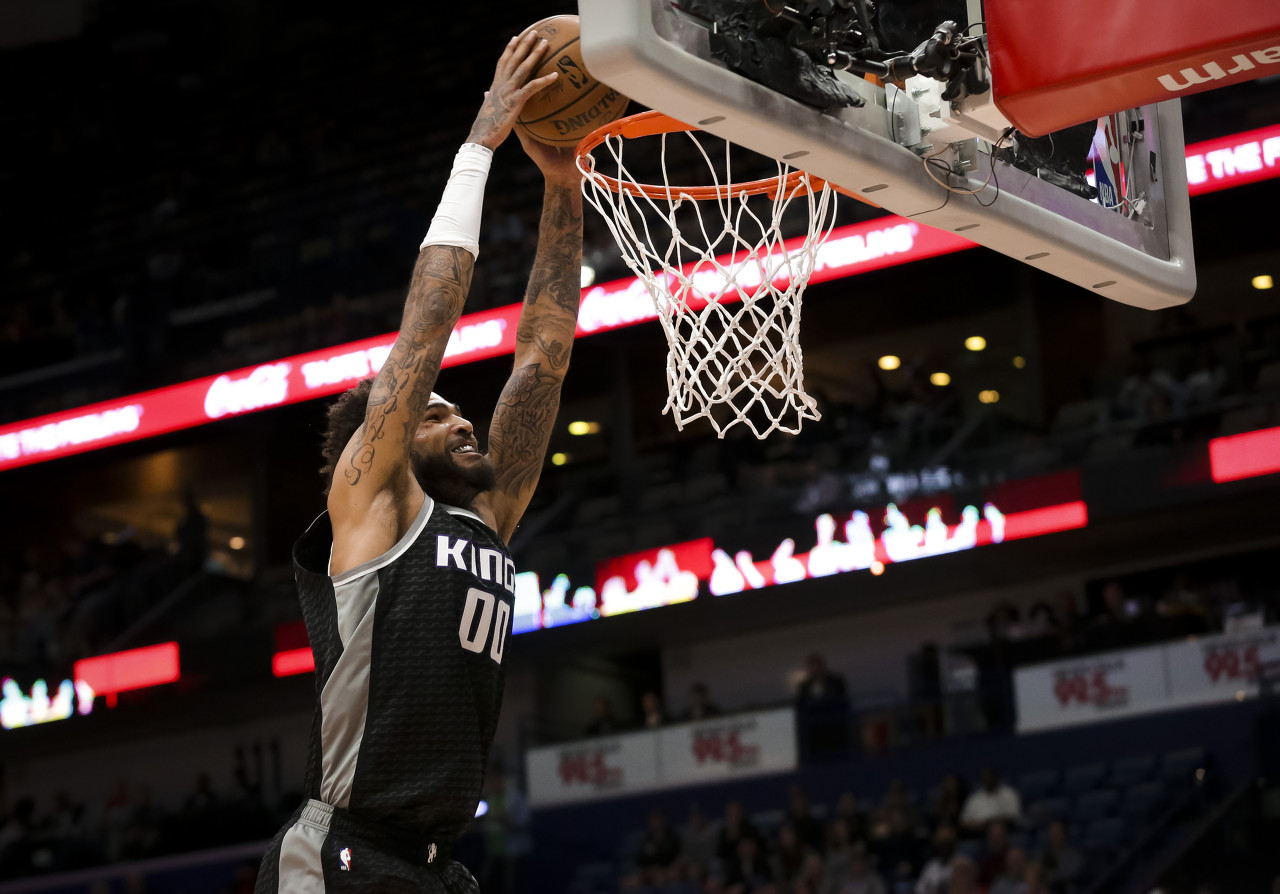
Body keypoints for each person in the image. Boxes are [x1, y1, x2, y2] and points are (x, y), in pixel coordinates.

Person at [255, 32, 581, 894]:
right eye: (433, 414)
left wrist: (562, 184)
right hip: (345, 852)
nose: (461, 416)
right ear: (386, 441)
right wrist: (482, 142)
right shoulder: (376, 509)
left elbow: (543, 353)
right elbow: (427, 326)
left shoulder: (486, 515)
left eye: (454, 408)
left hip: (436, 868)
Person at [915, 825, 958, 894]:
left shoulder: (961, 864)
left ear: (953, 845)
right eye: (941, 845)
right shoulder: (931, 866)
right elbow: (919, 889)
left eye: (947, 844)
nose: (944, 849)